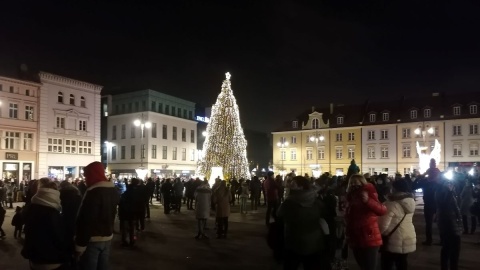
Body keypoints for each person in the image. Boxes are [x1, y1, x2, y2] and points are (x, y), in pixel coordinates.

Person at [75, 161, 120, 270]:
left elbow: (86, 220)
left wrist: (80, 245)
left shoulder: (93, 192)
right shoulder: (113, 190)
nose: (85, 179)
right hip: (107, 237)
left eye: (86, 176)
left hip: (93, 240)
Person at [277, 176, 328, 270]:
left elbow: (279, 214)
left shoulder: (290, 201)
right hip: (314, 240)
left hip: (294, 240)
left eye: (293, 183)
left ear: (301, 187)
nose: (290, 184)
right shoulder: (316, 200)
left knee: (291, 265)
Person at [22, 180, 70, 269]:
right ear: (55, 194)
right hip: (52, 259)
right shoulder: (52, 213)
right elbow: (59, 237)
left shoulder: (31, 209)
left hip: (34, 257)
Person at [345, 174, 387, 270]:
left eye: (356, 182)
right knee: (362, 265)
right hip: (355, 237)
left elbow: (382, 210)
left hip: (369, 236)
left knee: (369, 267)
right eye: (351, 182)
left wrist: (368, 200)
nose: (353, 184)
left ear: (362, 182)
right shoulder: (350, 196)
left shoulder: (368, 192)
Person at [378, 179, 416, 270]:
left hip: (393, 239)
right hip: (408, 235)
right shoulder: (411, 202)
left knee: (387, 264)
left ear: (394, 189)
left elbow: (383, 226)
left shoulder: (391, 204)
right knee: (402, 263)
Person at [436, 178, 462, 270]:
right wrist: (450, 192)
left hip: (450, 224)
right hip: (450, 225)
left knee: (447, 249)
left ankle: (447, 267)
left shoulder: (450, 193)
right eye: (448, 183)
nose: (450, 185)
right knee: (452, 250)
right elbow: (445, 206)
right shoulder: (444, 194)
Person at [59, 180, 82, 262]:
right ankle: (75, 259)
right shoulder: (78, 195)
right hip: (76, 221)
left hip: (65, 221)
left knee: (66, 240)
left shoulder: (61, 195)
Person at [422, 158, 441, 245]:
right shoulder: (436, 172)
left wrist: (426, 179)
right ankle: (441, 240)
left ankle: (429, 240)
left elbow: (423, 176)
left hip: (431, 203)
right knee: (439, 222)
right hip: (436, 203)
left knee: (429, 223)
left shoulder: (431, 174)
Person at [119, 182, 136, 247]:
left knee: (125, 229)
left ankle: (124, 241)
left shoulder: (124, 195)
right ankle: (131, 240)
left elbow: (121, 205)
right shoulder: (135, 195)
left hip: (125, 214)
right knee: (132, 228)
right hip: (132, 214)